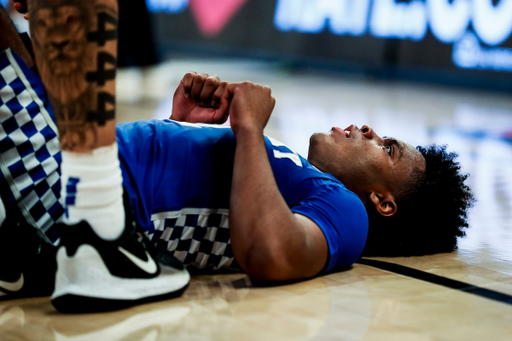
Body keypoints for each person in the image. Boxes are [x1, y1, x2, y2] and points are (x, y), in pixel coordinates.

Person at [0, 1, 474, 313]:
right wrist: (179, 125)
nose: (370, 131)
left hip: (70, 204)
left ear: (382, 202)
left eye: (387, 148)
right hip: (67, 166)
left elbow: (267, 256)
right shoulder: (294, 176)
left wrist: (248, 129)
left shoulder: (347, 213)